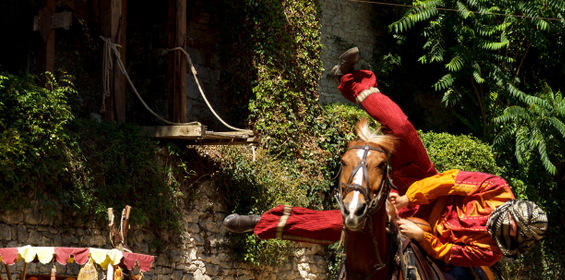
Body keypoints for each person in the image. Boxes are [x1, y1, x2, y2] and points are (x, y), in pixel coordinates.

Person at [224, 47, 548, 268]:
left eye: (510, 236)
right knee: (402, 128)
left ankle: (263, 222)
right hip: (426, 185)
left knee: (346, 223)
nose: (504, 232)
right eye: (509, 226)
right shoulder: (498, 188)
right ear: (512, 210)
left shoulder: (491, 254)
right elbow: (450, 181)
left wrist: (421, 235)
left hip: (420, 229)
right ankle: (352, 80)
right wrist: (407, 197)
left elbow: (452, 254)